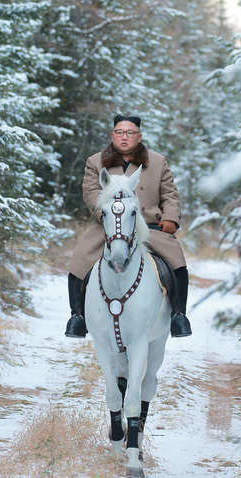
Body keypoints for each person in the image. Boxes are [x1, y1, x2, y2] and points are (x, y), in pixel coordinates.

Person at [65, 114, 192, 339]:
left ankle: (178, 316)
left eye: (130, 133)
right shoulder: (95, 162)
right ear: (113, 135)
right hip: (107, 226)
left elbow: (170, 194)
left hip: (150, 227)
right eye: (120, 132)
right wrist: (105, 213)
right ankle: (77, 317)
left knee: (177, 263)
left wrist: (171, 218)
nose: (125, 137)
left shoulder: (157, 161)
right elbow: (91, 193)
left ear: (139, 136)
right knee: (79, 261)